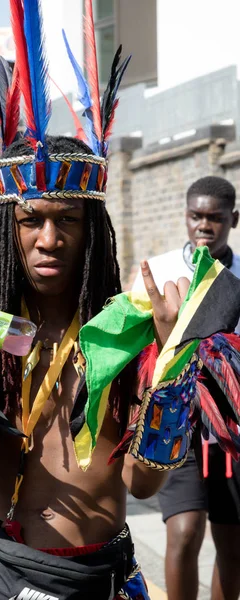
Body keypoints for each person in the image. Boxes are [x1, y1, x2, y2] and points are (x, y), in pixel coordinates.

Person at [0, 4, 185, 597]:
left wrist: (172, 365)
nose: (49, 239)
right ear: (8, 231)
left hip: (102, 578)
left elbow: (144, 486)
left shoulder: (124, 332)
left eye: (67, 221)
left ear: (91, 231)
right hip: (2, 576)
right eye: (31, 221)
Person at [132, 175, 240, 600]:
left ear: (233, 218)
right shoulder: (158, 271)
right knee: (185, 529)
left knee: (232, 544)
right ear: (185, 216)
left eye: (214, 218)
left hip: (231, 425)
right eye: (196, 216)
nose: (204, 225)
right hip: (176, 414)